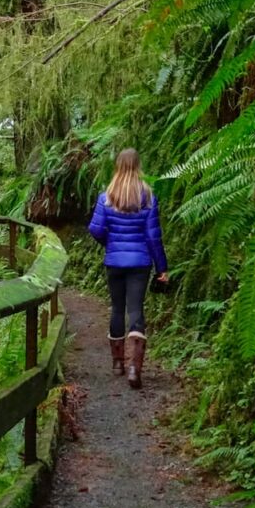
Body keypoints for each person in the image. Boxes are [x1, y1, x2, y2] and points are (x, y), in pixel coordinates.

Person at [88, 148, 168, 389]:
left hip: (114, 262)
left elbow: (95, 229)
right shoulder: (148, 197)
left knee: (116, 308)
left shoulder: (106, 197)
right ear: (137, 166)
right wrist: (162, 267)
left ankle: (117, 364)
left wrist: (110, 244)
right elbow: (153, 237)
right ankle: (135, 369)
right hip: (140, 263)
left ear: (118, 166)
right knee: (135, 309)